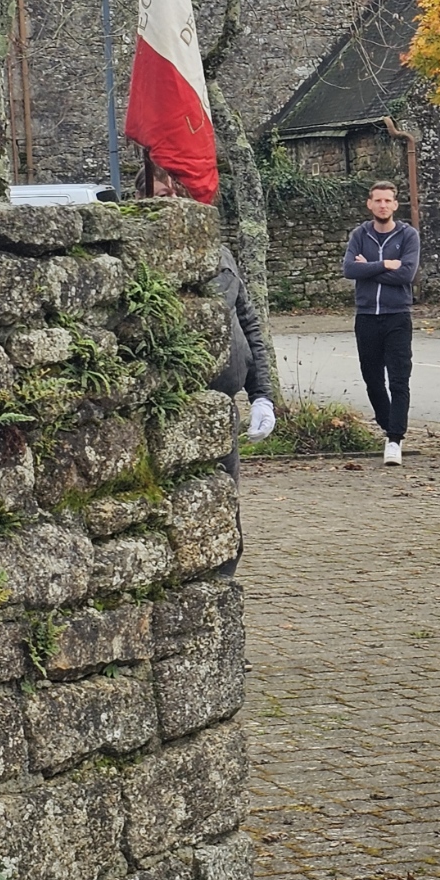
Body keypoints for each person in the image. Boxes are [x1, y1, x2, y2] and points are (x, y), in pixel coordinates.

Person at [139, 156, 274, 577]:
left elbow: (248, 324)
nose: (175, 202)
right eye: (163, 195)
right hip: (171, 408)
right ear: (142, 200)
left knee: (223, 503)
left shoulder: (220, 254)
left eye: (178, 193)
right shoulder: (141, 258)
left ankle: (222, 579)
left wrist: (262, 393)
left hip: (222, 404)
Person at [342, 180, 419, 466]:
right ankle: (388, 425)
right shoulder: (359, 235)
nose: (383, 205)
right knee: (372, 378)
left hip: (397, 314)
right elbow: (349, 268)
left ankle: (395, 439)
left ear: (395, 205)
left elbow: (407, 274)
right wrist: (386, 264)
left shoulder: (408, 235)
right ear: (370, 204)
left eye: (388, 201)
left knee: (399, 379)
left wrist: (369, 268)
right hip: (366, 316)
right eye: (378, 200)